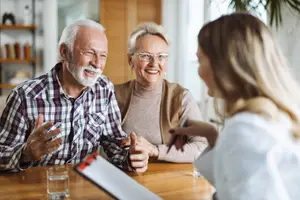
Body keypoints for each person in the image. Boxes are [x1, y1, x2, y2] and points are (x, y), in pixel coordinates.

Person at [169, 13, 300, 199]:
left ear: (223, 64)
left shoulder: (247, 130)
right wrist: (213, 138)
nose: (198, 71)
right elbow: (236, 182)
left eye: (200, 60)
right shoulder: (274, 117)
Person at [0, 19, 149, 172]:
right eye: (89, 52)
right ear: (64, 52)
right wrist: (25, 154)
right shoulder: (25, 96)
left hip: (84, 186)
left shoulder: (104, 88)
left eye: (103, 55)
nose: (97, 64)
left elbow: (114, 143)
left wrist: (131, 157)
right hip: (37, 189)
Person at [114, 22, 215, 163]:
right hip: (125, 178)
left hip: (169, 181)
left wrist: (155, 150)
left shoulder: (181, 97)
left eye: (161, 56)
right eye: (145, 55)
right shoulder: (113, 95)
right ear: (131, 60)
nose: (154, 63)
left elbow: (203, 146)